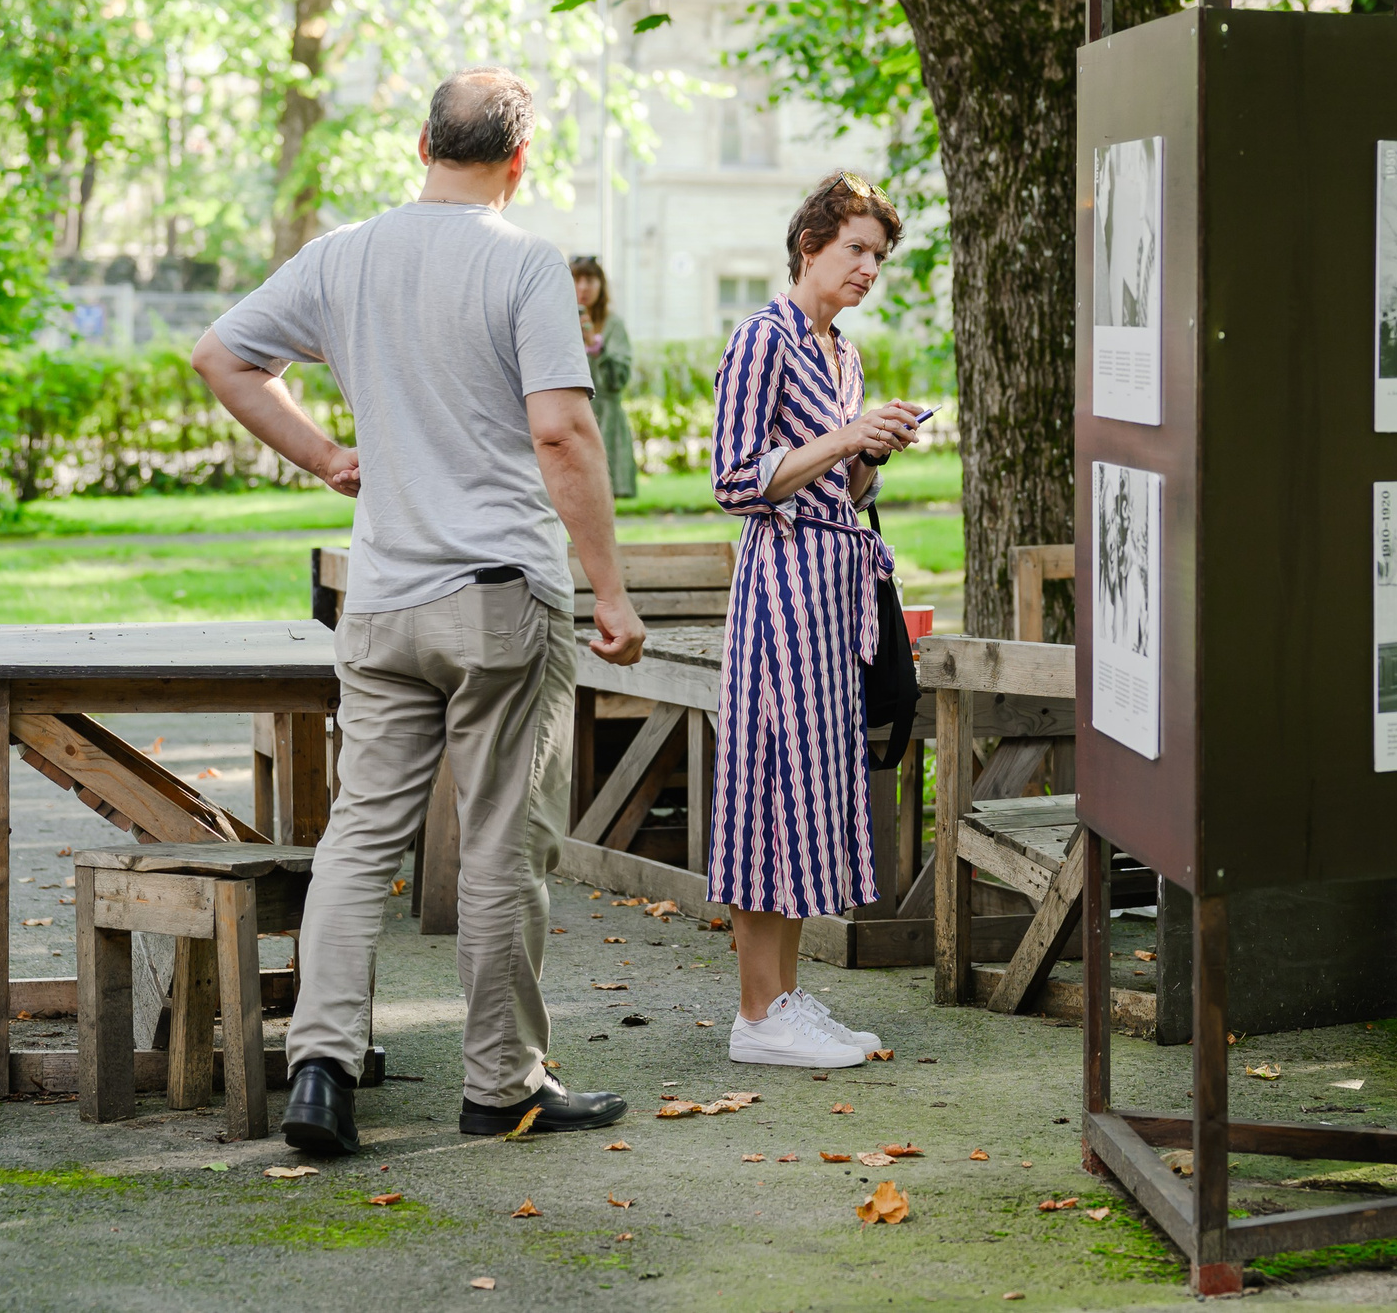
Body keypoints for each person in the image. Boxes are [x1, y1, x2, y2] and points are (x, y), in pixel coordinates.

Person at [191, 66, 648, 1155]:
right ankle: (502, 1084)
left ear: (422, 146)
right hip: (497, 599)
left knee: (359, 835)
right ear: (518, 160)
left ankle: (320, 1073)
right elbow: (561, 435)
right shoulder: (526, 264)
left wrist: (326, 457)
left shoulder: (345, 256)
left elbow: (222, 355)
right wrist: (611, 591)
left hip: (384, 600)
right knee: (499, 845)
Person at [709, 172, 922, 1068]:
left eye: (879, 255)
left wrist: (871, 450)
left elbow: (841, 483)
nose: (869, 268)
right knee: (769, 791)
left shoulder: (843, 352)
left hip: (835, 593)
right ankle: (758, 1016)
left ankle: (783, 1003)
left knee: (807, 794)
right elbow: (732, 479)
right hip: (780, 588)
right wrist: (843, 437)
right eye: (856, 250)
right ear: (811, 245)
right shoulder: (762, 337)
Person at [570, 255, 638, 498]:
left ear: (601, 285)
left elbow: (618, 379)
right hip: (569, 419)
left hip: (606, 422)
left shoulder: (613, 325)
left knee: (604, 498)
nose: (583, 288)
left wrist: (596, 347)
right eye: (576, 280)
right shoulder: (556, 322)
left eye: (590, 280)